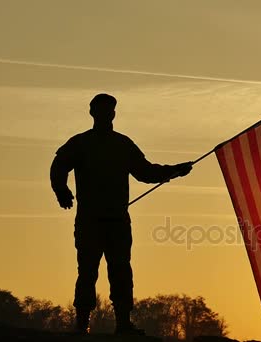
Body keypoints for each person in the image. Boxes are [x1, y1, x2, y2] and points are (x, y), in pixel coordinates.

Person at [50, 93, 192, 335]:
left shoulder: (123, 144)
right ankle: (82, 322)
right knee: (87, 271)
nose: (107, 115)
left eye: (110, 111)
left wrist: (174, 171)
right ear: (93, 113)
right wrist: (61, 190)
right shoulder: (81, 143)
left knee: (121, 271)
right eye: (102, 111)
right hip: (90, 221)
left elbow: (145, 172)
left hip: (117, 221)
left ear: (114, 114)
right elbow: (59, 166)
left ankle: (123, 323)